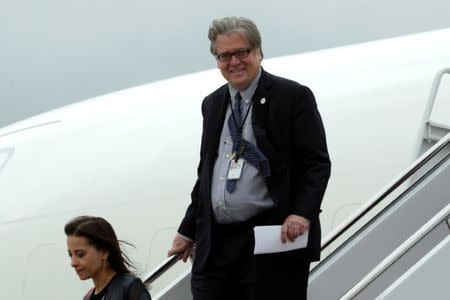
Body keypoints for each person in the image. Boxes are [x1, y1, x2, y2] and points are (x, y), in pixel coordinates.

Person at [168, 16, 331, 300]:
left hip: (268, 241)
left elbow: (316, 163)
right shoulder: (213, 103)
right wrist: (187, 230)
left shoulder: (292, 97)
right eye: (225, 55)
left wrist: (302, 212)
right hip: (216, 246)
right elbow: (206, 173)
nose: (234, 62)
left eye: (242, 52)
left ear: (258, 52)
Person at [65, 216, 151, 300]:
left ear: (104, 252)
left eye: (80, 254)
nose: (73, 263)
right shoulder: (87, 297)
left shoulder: (129, 287)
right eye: (70, 255)